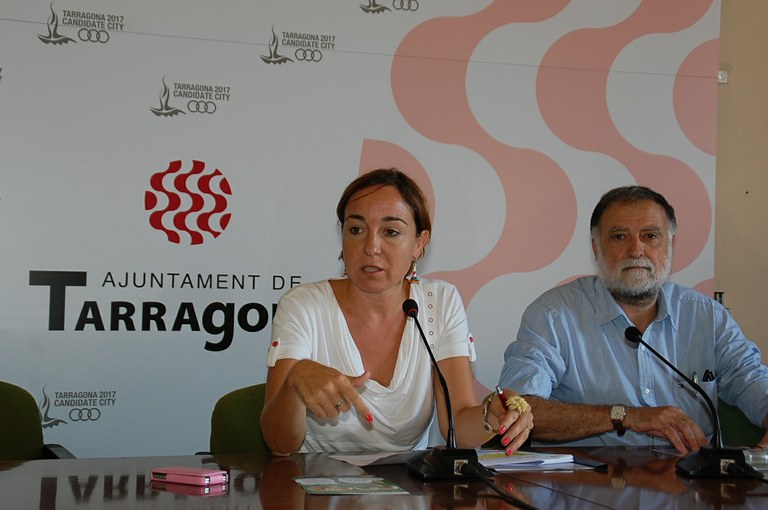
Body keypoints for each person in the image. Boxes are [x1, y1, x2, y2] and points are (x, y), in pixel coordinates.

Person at [261, 168, 533, 455]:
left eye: (390, 232)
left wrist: (492, 415)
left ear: (419, 243)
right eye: (356, 230)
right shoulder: (302, 305)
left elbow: (460, 427)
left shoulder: (439, 302)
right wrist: (292, 386)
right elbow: (279, 444)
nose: (371, 247)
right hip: (312, 478)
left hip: (406, 481)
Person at [499, 185, 768, 454]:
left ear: (670, 245)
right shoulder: (553, 315)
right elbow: (517, 407)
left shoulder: (708, 317)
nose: (636, 250)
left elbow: (754, 384)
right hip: (588, 475)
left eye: (650, 236)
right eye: (619, 237)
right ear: (596, 248)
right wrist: (626, 416)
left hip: (690, 474)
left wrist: (758, 456)